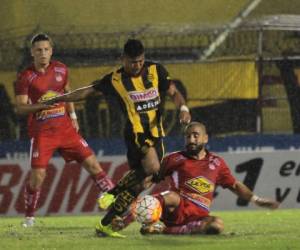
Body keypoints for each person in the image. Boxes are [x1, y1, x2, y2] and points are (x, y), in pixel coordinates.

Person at [43, 38, 191, 237]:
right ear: (123, 59)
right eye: (132, 62)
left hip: (157, 134)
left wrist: (183, 107)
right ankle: (112, 193)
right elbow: (86, 91)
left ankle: (105, 224)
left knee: (144, 183)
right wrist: (57, 98)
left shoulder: (157, 71)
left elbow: (174, 92)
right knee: (154, 168)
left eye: (139, 61)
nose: (136, 65)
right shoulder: (115, 79)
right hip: (136, 134)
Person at [15, 33, 114, 227]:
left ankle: (118, 203)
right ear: (32, 53)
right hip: (42, 133)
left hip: (65, 129)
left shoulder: (61, 69)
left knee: (93, 165)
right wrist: (43, 106)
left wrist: (74, 116)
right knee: (37, 178)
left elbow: (68, 94)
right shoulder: (26, 77)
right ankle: (29, 217)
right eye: (38, 50)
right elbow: (20, 108)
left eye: (46, 49)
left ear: (51, 51)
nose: (43, 53)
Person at [136, 121, 279, 235]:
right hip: (176, 210)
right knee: (168, 196)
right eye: (188, 136)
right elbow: (149, 180)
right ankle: (156, 224)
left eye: (195, 135)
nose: (191, 139)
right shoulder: (174, 158)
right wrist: (130, 205)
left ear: (205, 138)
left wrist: (257, 200)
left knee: (216, 225)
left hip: (198, 216)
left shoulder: (217, 162)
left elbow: (234, 185)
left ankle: (165, 230)